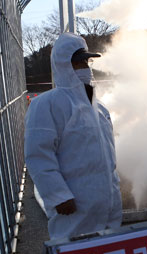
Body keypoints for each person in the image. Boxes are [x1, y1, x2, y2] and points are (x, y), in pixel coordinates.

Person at [25, 33, 122, 240]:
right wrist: (58, 196)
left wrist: (115, 188)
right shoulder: (46, 105)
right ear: (63, 64)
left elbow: (108, 156)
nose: (85, 67)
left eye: (86, 61)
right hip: (74, 208)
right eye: (78, 62)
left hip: (108, 205)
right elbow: (38, 155)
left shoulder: (100, 108)